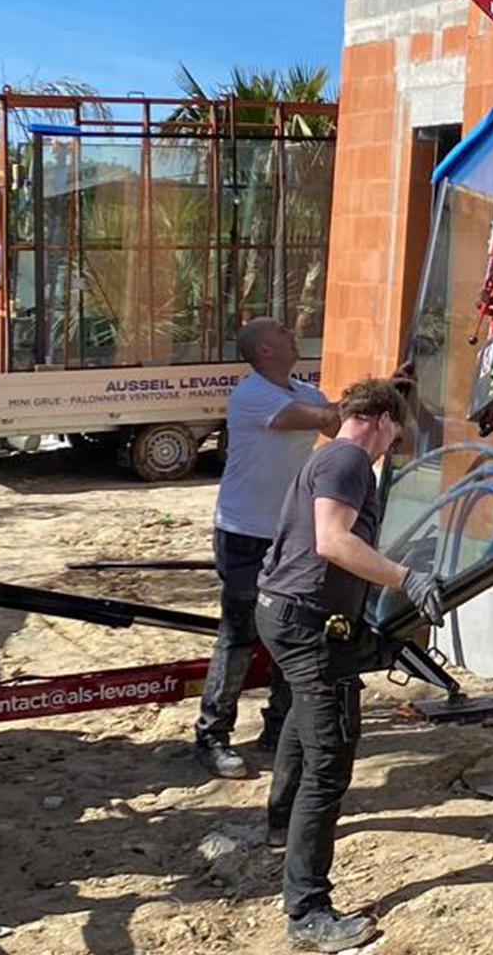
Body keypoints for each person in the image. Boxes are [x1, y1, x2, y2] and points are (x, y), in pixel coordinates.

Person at [254, 376, 449, 952]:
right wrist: (406, 577)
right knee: (329, 763)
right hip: (308, 628)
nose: (393, 444)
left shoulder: (330, 457)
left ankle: (275, 827)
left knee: (299, 726)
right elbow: (332, 542)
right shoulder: (348, 461)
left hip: (287, 613)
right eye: (395, 432)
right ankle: (307, 911)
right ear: (381, 420)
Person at [195, 317, 339, 780]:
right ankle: (212, 735)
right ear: (263, 351)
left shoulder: (303, 389)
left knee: (289, 632)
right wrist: (373, 399)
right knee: (239, 635)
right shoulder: (252, 395)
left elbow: (336, 425)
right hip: (243, 532)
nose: (292, 332)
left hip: (287, 534)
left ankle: (278, 731)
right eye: (281, 330)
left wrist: (383, 395)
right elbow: (324, 420)